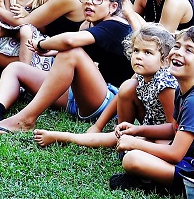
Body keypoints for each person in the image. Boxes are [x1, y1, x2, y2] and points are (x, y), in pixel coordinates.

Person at [0, 0, 134, 134]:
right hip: (77, 96)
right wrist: (53, 51)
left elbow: (70, 42)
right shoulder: (87, 25)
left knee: (71, 52)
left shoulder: (116, 26)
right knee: (15, 68)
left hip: (108, 101)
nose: (89, 2)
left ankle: (26, 120)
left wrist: (42, 44)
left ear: (113, 6)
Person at [112, 26, 194, 193]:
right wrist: (137, 130)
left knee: (132, 159)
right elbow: (173, 129)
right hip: (192, 158)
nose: (178, 52)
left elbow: (175, 154)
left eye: (189, 50)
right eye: (177, 46)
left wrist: (135, 143)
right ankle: (150, 177)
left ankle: (152, 182)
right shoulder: (183, 90)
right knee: (148, 142)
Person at [33, 24, 179, 149]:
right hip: (148, 125)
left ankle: (65, 137)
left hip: (166, 134)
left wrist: (138, 131)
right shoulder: (142, 74)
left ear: (165, 60)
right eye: (136, 50)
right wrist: (98, 126)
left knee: (152, 147)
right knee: (128, 86)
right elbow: (120, 95)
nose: (139, 56)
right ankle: (67, 136)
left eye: (147, 52)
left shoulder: (165, 85)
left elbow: (173, 128)